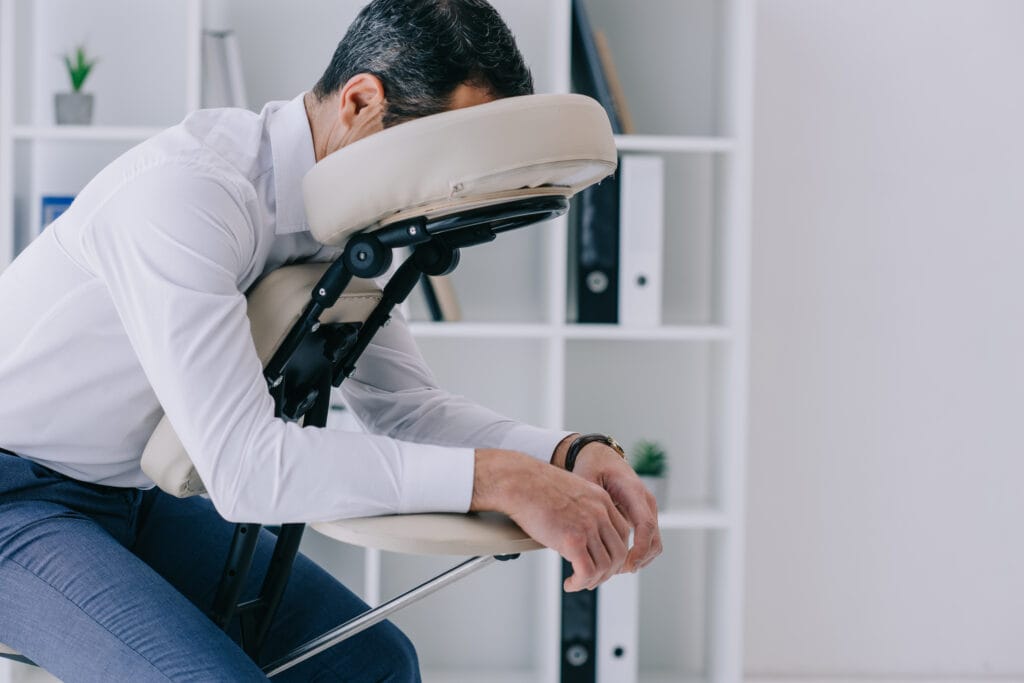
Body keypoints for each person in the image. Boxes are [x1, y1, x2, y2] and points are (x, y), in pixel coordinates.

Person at [0, 1, 662, 680]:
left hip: (125, 494)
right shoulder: (189, 196)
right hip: (12, 498)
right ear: (361, 102)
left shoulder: (346, 222)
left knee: (373, 663)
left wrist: (563, 455)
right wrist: (494, 477)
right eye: (446, 157)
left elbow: (410, 410)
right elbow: (246, 468)